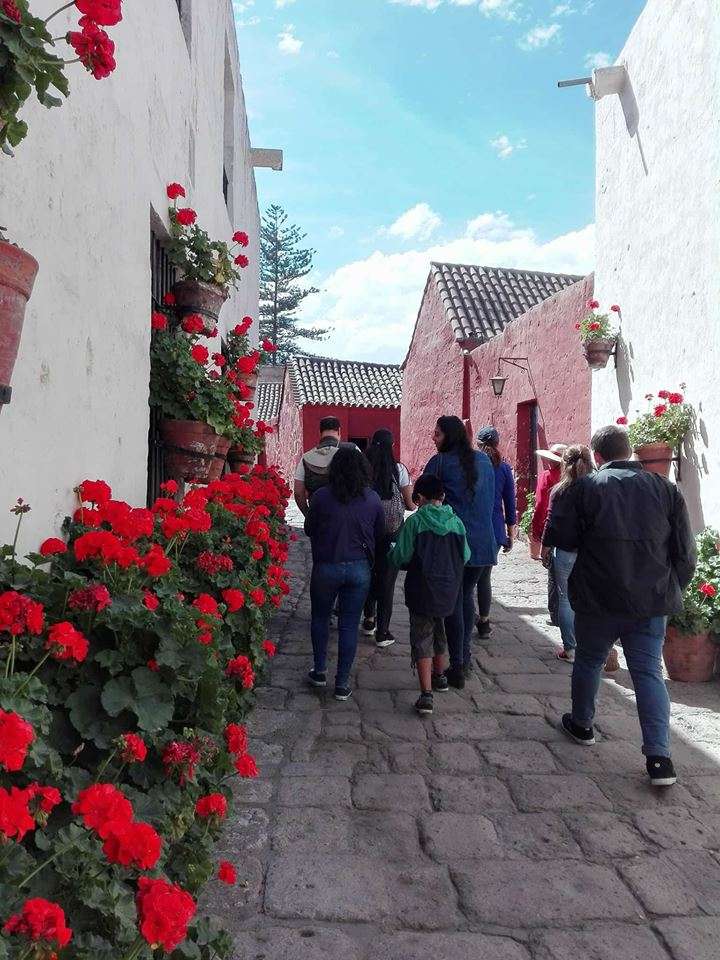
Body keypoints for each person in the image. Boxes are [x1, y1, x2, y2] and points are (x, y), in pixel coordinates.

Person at [545, 425, 696, 787]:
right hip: (648, 602)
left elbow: (559, 540)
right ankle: (660, 758)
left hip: (598, 599)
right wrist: (667, 590)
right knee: (647, 673)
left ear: (597, 456)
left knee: (589, 661)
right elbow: (685, 555)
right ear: (629, 452)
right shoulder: (666, 490)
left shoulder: (584, 489)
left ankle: (582, 724)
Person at [304, 447, 385, 701]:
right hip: (359, 568)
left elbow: (309, 529)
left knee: (320, 619)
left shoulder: (320, 497)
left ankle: (319, 671)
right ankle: (341, 683)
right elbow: (380, 533)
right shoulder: (372, 499)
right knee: (349, 626)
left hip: (326, 566)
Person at [424, 416, 496, 689]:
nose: (433, 437)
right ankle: (462, 658)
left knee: (455, 603)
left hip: (454, 545)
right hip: (483, 543)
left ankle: (458, 663)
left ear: (449, 437)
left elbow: (422, 498)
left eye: (437, 434)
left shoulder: (439, 463)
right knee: (465, 597)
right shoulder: (485, 461)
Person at [389, 474, 470, 715]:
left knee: (422, 637)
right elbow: (465, 556)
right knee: (440, 631)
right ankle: (440, 676)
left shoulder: (415, 523)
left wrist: (390, 554)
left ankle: (426, 694)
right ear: (443, 496)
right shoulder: (457, 523)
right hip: (448, 590)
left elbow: (401, 556)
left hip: (421, 589)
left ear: (420, 497)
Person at [540, 445, 595, 662]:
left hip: (564, 551)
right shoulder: (596, 487)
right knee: (590, 599)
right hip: (590, 553)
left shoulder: (559, 490)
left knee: (565, 599)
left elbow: (551, 522)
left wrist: (544, 546)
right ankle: (591, 646)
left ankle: (571, 649)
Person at [361, 429, 415, 648]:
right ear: (392, 446)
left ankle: (368, 619)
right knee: (387, 581)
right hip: (392, 532)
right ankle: (382, 632)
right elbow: (410, 503)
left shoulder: (363, 468)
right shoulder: (398, 469)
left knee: (367, 574)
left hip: (366, 532)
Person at [475, 427, 517, 638]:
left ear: (479, 444)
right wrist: (510, 534)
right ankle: (484, 621)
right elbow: (509, 504)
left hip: (473, 528)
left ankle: (468, 615)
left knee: (468, 577)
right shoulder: (504, 469)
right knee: (484, 577)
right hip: (495, 530)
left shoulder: (472, 466)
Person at [531, 444, 568, 625]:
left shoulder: (547, 477)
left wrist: (537, 534)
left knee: (554, 577)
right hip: (574, 535)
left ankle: (556, 615)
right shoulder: (577, 478)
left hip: (553, 531)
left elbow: (540, 508)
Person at [294, 417, 354, 517]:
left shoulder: (306, 458)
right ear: (339, 431)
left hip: (318, 515)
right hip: (346, 515)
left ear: (319, 433)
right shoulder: (352, 451)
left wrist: (308, 514)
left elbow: (298, 492)